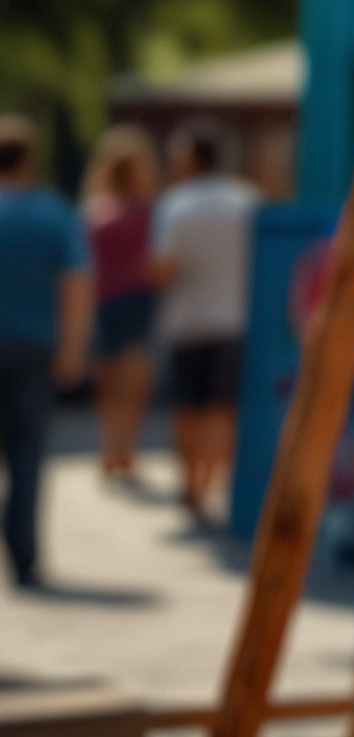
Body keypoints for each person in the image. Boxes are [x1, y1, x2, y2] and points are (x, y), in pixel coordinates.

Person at [0, 115, 92, 587]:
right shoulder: (54, 214)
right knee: (27, 454)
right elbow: (75, 284)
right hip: (35, 346)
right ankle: (24, 557)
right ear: (29, 158)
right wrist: (74, 347)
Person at [149, 120, 257, 521]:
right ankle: (212, 479)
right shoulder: (247, 201)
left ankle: (192, 481)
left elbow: (162, 269)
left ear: (193, 156)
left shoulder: (176, 205)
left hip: (187, 320)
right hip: (236, 319)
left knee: (187, 406)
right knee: (222, 406)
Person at [81, 125, 162, 483]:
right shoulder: (110, 210)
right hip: (116, 300)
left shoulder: (112, 210)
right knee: (119, 380)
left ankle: (120, 449)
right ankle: (117, 449)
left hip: (122, 299)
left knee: (120, 380)